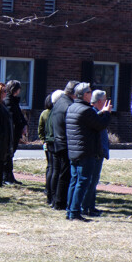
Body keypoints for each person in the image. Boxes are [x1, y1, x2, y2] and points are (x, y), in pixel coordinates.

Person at [65, 83, 112, 221]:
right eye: (90, 92)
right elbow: (100, 125)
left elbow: (92, 121)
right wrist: (107, 113)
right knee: (83, 181)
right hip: (86, 151)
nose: (91, 94)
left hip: (74, 150)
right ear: (84, 94)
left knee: (74, 181)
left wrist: (101, 112)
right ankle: (75, 212)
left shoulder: (72, 107)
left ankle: (70, 210)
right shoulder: (86, 110)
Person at [51, 80, 79, 210]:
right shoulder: (67, 105)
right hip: (64, 142)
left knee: (58, 172)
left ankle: (55, 199)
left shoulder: (59, 102)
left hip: (57, 140)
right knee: (65, 174)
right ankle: (60, 202)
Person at [81, 90, 110, 217]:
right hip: (95, 152)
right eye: (104, 100)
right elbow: (99, 125)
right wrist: (106, 113)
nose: (106, 102)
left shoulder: (96, 113)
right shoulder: (92, 112)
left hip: (99, 152)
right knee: (91, 181)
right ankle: (86, 207)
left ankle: (90, 206)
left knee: (93, 181)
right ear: (99, 101)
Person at [2, 80, 27, 185]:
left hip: (15, 132)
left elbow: (20, 115)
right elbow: (14, 118)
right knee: (8, 154)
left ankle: (9, 176)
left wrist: (25, 124)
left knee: (10, 154)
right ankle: (6, 177)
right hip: (11, 133)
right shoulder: (8, 101)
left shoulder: (13, 101)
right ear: (15, 90)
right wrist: (22, 126)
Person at [38, 94, 54, 203]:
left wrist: (43, 140)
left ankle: (47, 188)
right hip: (52, 142)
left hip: (46, 143)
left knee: (49, 166)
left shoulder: (43, 113)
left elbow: (40, 129)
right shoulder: (53, 113)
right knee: (53, 167)